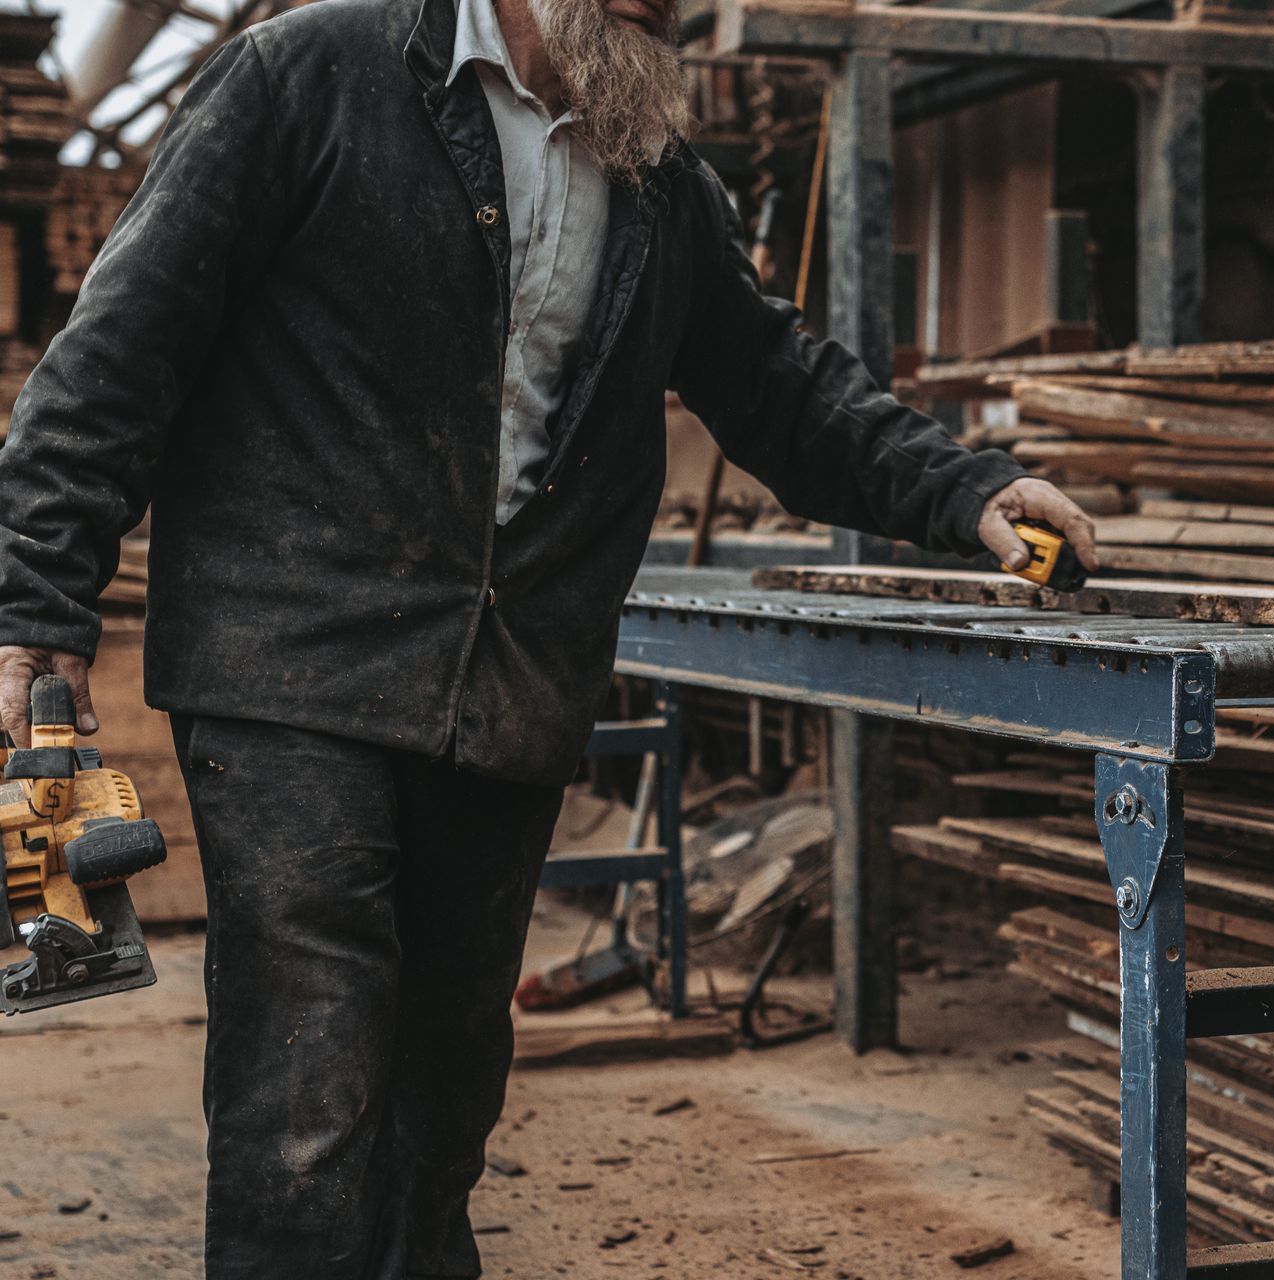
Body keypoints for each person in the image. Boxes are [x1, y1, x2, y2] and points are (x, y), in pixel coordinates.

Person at [0, 0, 1098, 1273]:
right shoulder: (304, 75)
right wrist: (36, 606)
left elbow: (780, 386)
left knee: (445, 1095)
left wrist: (964, 491)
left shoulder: (655, 176)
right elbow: (116, 355)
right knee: (307, 1092)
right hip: (290, 667)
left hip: (507, 685)